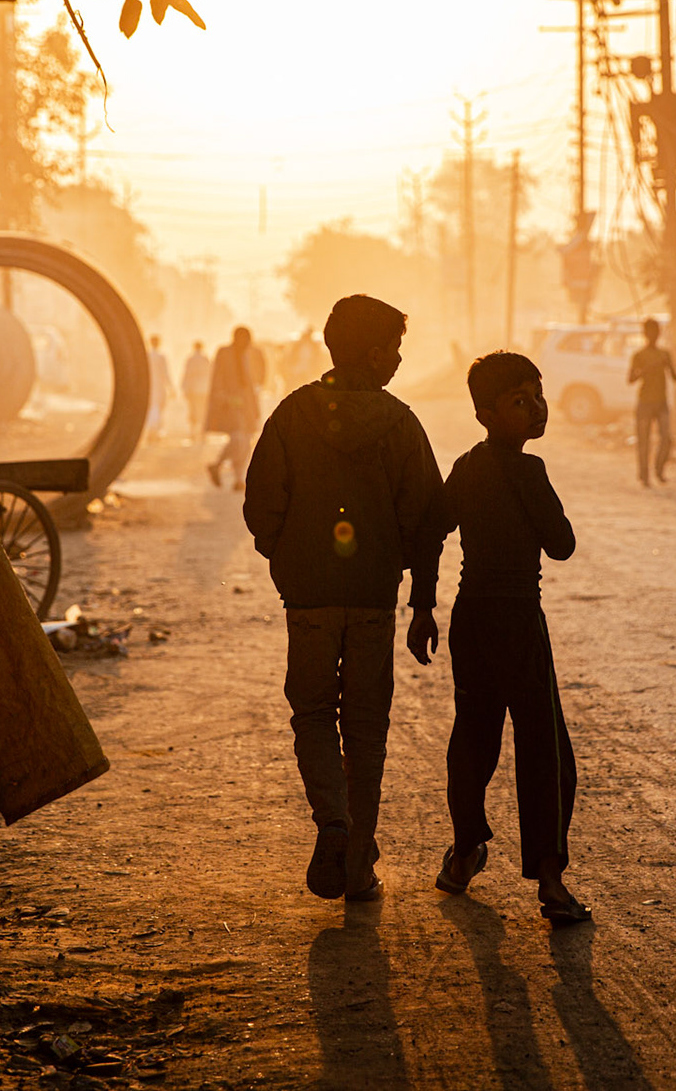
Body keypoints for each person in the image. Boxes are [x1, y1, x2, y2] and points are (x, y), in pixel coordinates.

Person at [242, 295, 445, 903]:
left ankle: (332, 818)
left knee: (311, 715)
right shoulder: (401, 423)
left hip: (307, 599)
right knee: (365, 726)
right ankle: (358, 863)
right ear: (374, 353)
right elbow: (427, 522)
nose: (400, 361)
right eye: (395, 350)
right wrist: (424, 602)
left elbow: (260, 507)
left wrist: (287, 557)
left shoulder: (291, 414)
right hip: (374, 598)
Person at [426, 350, 587, 923]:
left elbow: (433, 528)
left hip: (472, 620)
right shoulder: (530, 472)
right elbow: (562, 544)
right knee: (544, 749)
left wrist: (424, 604)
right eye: (521, 401)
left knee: (473, 740)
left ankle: (465, 852)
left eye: (538, 396)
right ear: (486, 414)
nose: (537, 409)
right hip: (520, 619)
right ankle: (550, 879)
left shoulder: (467, 466)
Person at [205, 326, 265, 488]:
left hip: (247, 403)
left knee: (245, 442)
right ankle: (220, 466)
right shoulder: (224, 353)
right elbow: (217, 376)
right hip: (229, 403)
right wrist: (222, 396)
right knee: (238, 438)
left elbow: (256, 380)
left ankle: (238, 478)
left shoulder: (250, 354)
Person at [627, 317, 676, 486]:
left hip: (661, 402)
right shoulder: (639, 356)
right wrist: (645, 370)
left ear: (659, 333)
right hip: (644, 402)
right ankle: (644, 476)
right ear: (645, 334)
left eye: (655, 332)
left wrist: (667, 365)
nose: (653, 336)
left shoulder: (665, 354)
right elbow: (630, 379)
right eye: (650, 332)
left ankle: (658, 469)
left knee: (666, 438)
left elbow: (675, 377)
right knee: (644, 441)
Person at [145, 334, 175, 442]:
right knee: (157, 409)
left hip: (149, 387)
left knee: (152, 409)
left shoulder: (146, 356)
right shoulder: (161, 357)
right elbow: (165, 373)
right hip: (159, 387)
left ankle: (152, 431)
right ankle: (155, 431)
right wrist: (171, 388)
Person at [180, 341, 211, 445]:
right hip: (203, 389)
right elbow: (210, 373)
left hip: (193, 389)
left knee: (193, 411)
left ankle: (193, 433)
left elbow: (186, 374)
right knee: (202, 412)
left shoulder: (191, 359)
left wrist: (184, 387)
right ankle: (202, 434)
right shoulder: (205, 359)